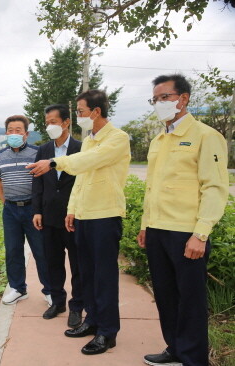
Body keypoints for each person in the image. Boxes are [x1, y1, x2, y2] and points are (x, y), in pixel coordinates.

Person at [27, 90, 130, 356]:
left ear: (96, 112)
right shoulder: (90, 140)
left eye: (81, 111)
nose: (79, 116)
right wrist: (72, 209)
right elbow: (83, 179)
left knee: (104, 277)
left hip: (105, 216)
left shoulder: (117, 139)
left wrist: (53, 162)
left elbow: (89, 161)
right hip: (84, 216)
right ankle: (93, 321)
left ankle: (108, 332)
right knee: (87, 275)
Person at [137, 74, 229, 366]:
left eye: (165, 97)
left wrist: (200, 234)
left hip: (186, 233)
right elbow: (153, 187)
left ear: (183, 98)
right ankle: (175, 349)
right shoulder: (159, 139)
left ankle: (193, 358)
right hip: (157, 230)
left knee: (190, 301)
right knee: (166, 297)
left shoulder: (206, 135)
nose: (159, 103)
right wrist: (145, 226)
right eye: (156, 99)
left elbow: (214, 188)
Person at [32, 104, 84, 328]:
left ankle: (77, 306)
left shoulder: (81, 149)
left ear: (66, 122)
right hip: (49, 216)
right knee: (52, 261)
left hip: (73, 218)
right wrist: (37, 210)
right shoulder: (43, 150)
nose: (49, 126)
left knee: (77, 264)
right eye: (47, 123)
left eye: (53, 121)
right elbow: (37, 182)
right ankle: (57, 301)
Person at [0, 115, 52, 305]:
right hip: (10, 210)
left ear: (26, 134)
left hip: (32, 209)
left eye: (18, 130)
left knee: (41, 250)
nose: (14, 133)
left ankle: (50, 290)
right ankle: (18, 288)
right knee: (13, 250)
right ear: (6, 133)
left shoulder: (37, 152)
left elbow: (44, 180)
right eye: (10, 130)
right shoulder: (0, 155)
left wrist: (40, 208)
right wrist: (5, 202)